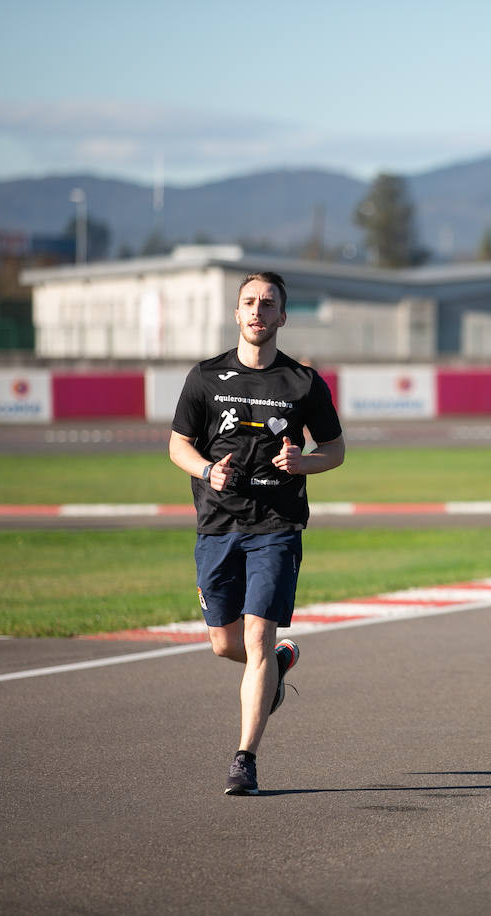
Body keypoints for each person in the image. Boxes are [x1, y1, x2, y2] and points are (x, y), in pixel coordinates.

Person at [168, 271, 345, 795]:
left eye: (268, 304)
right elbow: (178, 446)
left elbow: (334, 451)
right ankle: (275, 669)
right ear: (236, 312)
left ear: (282, 317)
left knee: (257, 635)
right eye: (249, 302)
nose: (258, 312)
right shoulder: (205, 377)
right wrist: (206, 471)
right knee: (225, 644)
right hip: (217, 523)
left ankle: (244, 759)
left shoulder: (304, 383)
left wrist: (302, 463)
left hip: (276, 525)